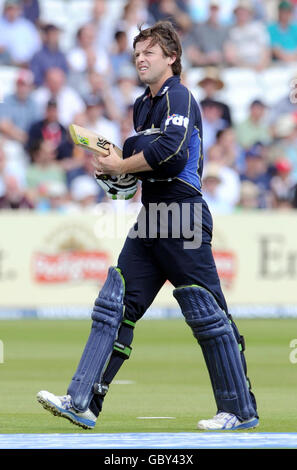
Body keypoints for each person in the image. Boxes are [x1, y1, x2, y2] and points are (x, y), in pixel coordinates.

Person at [37, 21, 258, 432]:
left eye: (149, 52)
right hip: (152, 216)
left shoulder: (181, 95)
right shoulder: (142, 104)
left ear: (171, 58)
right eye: (137, 53)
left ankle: (240, 410)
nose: (140, 58)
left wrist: (122, 163)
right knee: (115, 303)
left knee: (206, 312)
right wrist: (116, 176)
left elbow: (171, 154)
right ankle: (83, 400)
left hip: (184, 213)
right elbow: (139, 167)